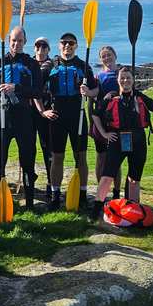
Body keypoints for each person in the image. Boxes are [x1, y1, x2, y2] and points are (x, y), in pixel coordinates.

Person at [91, 66, 153, 219]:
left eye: (128, 78)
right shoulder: (110, 97)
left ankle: (133, 210)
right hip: (117, 141)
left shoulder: (140, 96)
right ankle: (97, 207)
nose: (125, 80)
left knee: (134, 178)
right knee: (107, 176)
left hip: (138, 142)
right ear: (118, 80)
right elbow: (96, 115)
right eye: (122, 78)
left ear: (133, 79)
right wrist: (104, 133)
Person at [0, 25, 44, 210]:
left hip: (25, 118)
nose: (16, 43)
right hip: (3, 118)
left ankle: (30, 203)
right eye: (13, 40)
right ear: (8, 40)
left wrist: (17, 88)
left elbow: (39, 91)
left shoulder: (32, 64)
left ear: (25, 42)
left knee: (27, 161)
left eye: (20, 40)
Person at [40, 32, 99, 211]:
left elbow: (96, 90)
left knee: (80, 157)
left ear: (76, 46)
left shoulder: (83, 66)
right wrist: (43, 111)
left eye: (71, 43)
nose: (67, 46)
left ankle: (82, 196)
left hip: (78, 115)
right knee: (57, 158)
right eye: (64, 42)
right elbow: (35, 89)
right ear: (59, 45)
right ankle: (55, 197)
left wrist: (88, 93)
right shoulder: (50, 66)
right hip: (57, 115)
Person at [91, 46, 123, 204]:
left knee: (116, 159)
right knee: (101, 157)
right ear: (101, 59)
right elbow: (92, 100)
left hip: (119, 122)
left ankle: (116, 194)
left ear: (115, 55)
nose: (107, 58)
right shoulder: (98, 77)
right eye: (103, 56)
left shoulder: (122, 75)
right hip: (101, 122)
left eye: (109, 55)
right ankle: (100, 193)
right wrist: (91, 124)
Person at [31, 36, 53, 197]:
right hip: (30, 111)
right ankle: (29, 179)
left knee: (47, 148)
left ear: (48, 49)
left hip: (47, 111)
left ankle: (51, 182)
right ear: (34, 48)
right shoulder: (27, 63)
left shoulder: (53, 64)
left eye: (44, 45)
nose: (41, 48)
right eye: (38, 45)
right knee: (29, 147)